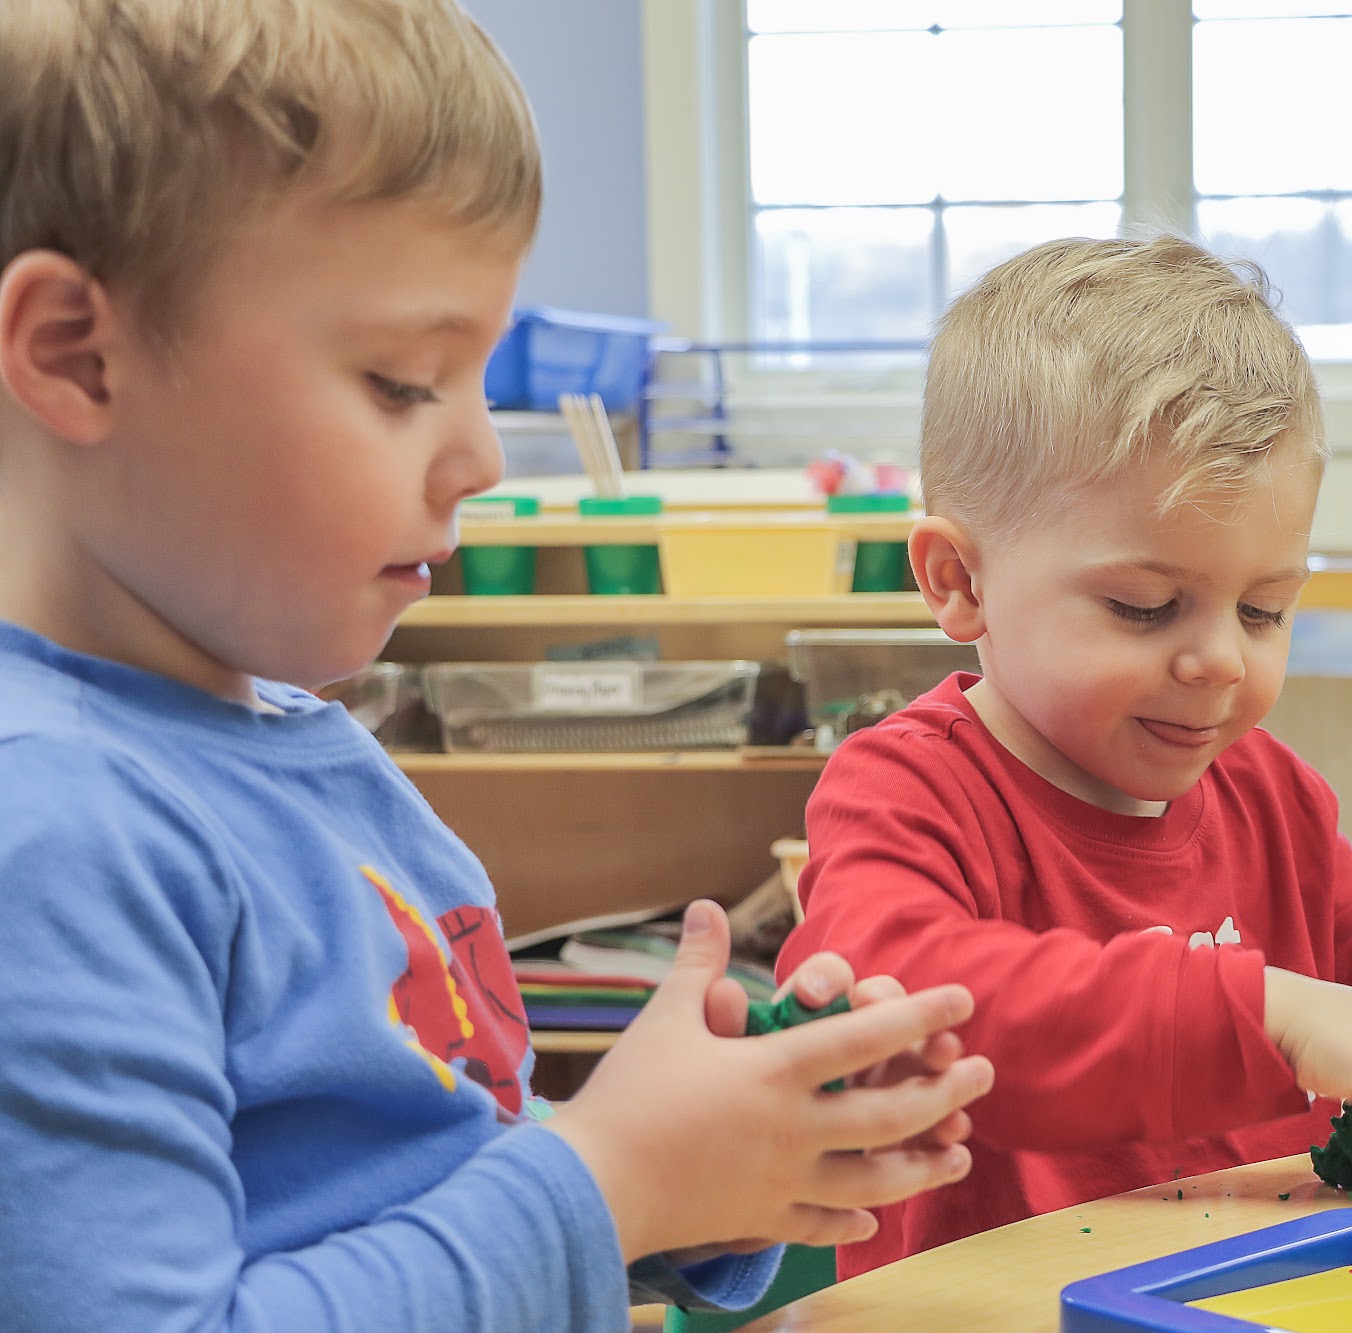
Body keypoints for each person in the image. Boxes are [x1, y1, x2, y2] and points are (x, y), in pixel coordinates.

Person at [0, 3, 991, 1328]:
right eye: (405, 381)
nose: (478, 458)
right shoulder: (51, 827)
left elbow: (420, 1195)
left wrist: (711, 1165)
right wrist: (613, 1179)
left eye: (481, 378)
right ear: (78, 354)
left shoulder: (307, 748)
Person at [777, 235, 1352, 1277]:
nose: (1221, 660)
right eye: (1145, 606)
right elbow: (900, 1012)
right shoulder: (907, 789)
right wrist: (1274, 1014)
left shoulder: (1271, 796)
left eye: (1264, 610)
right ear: (958, 579)